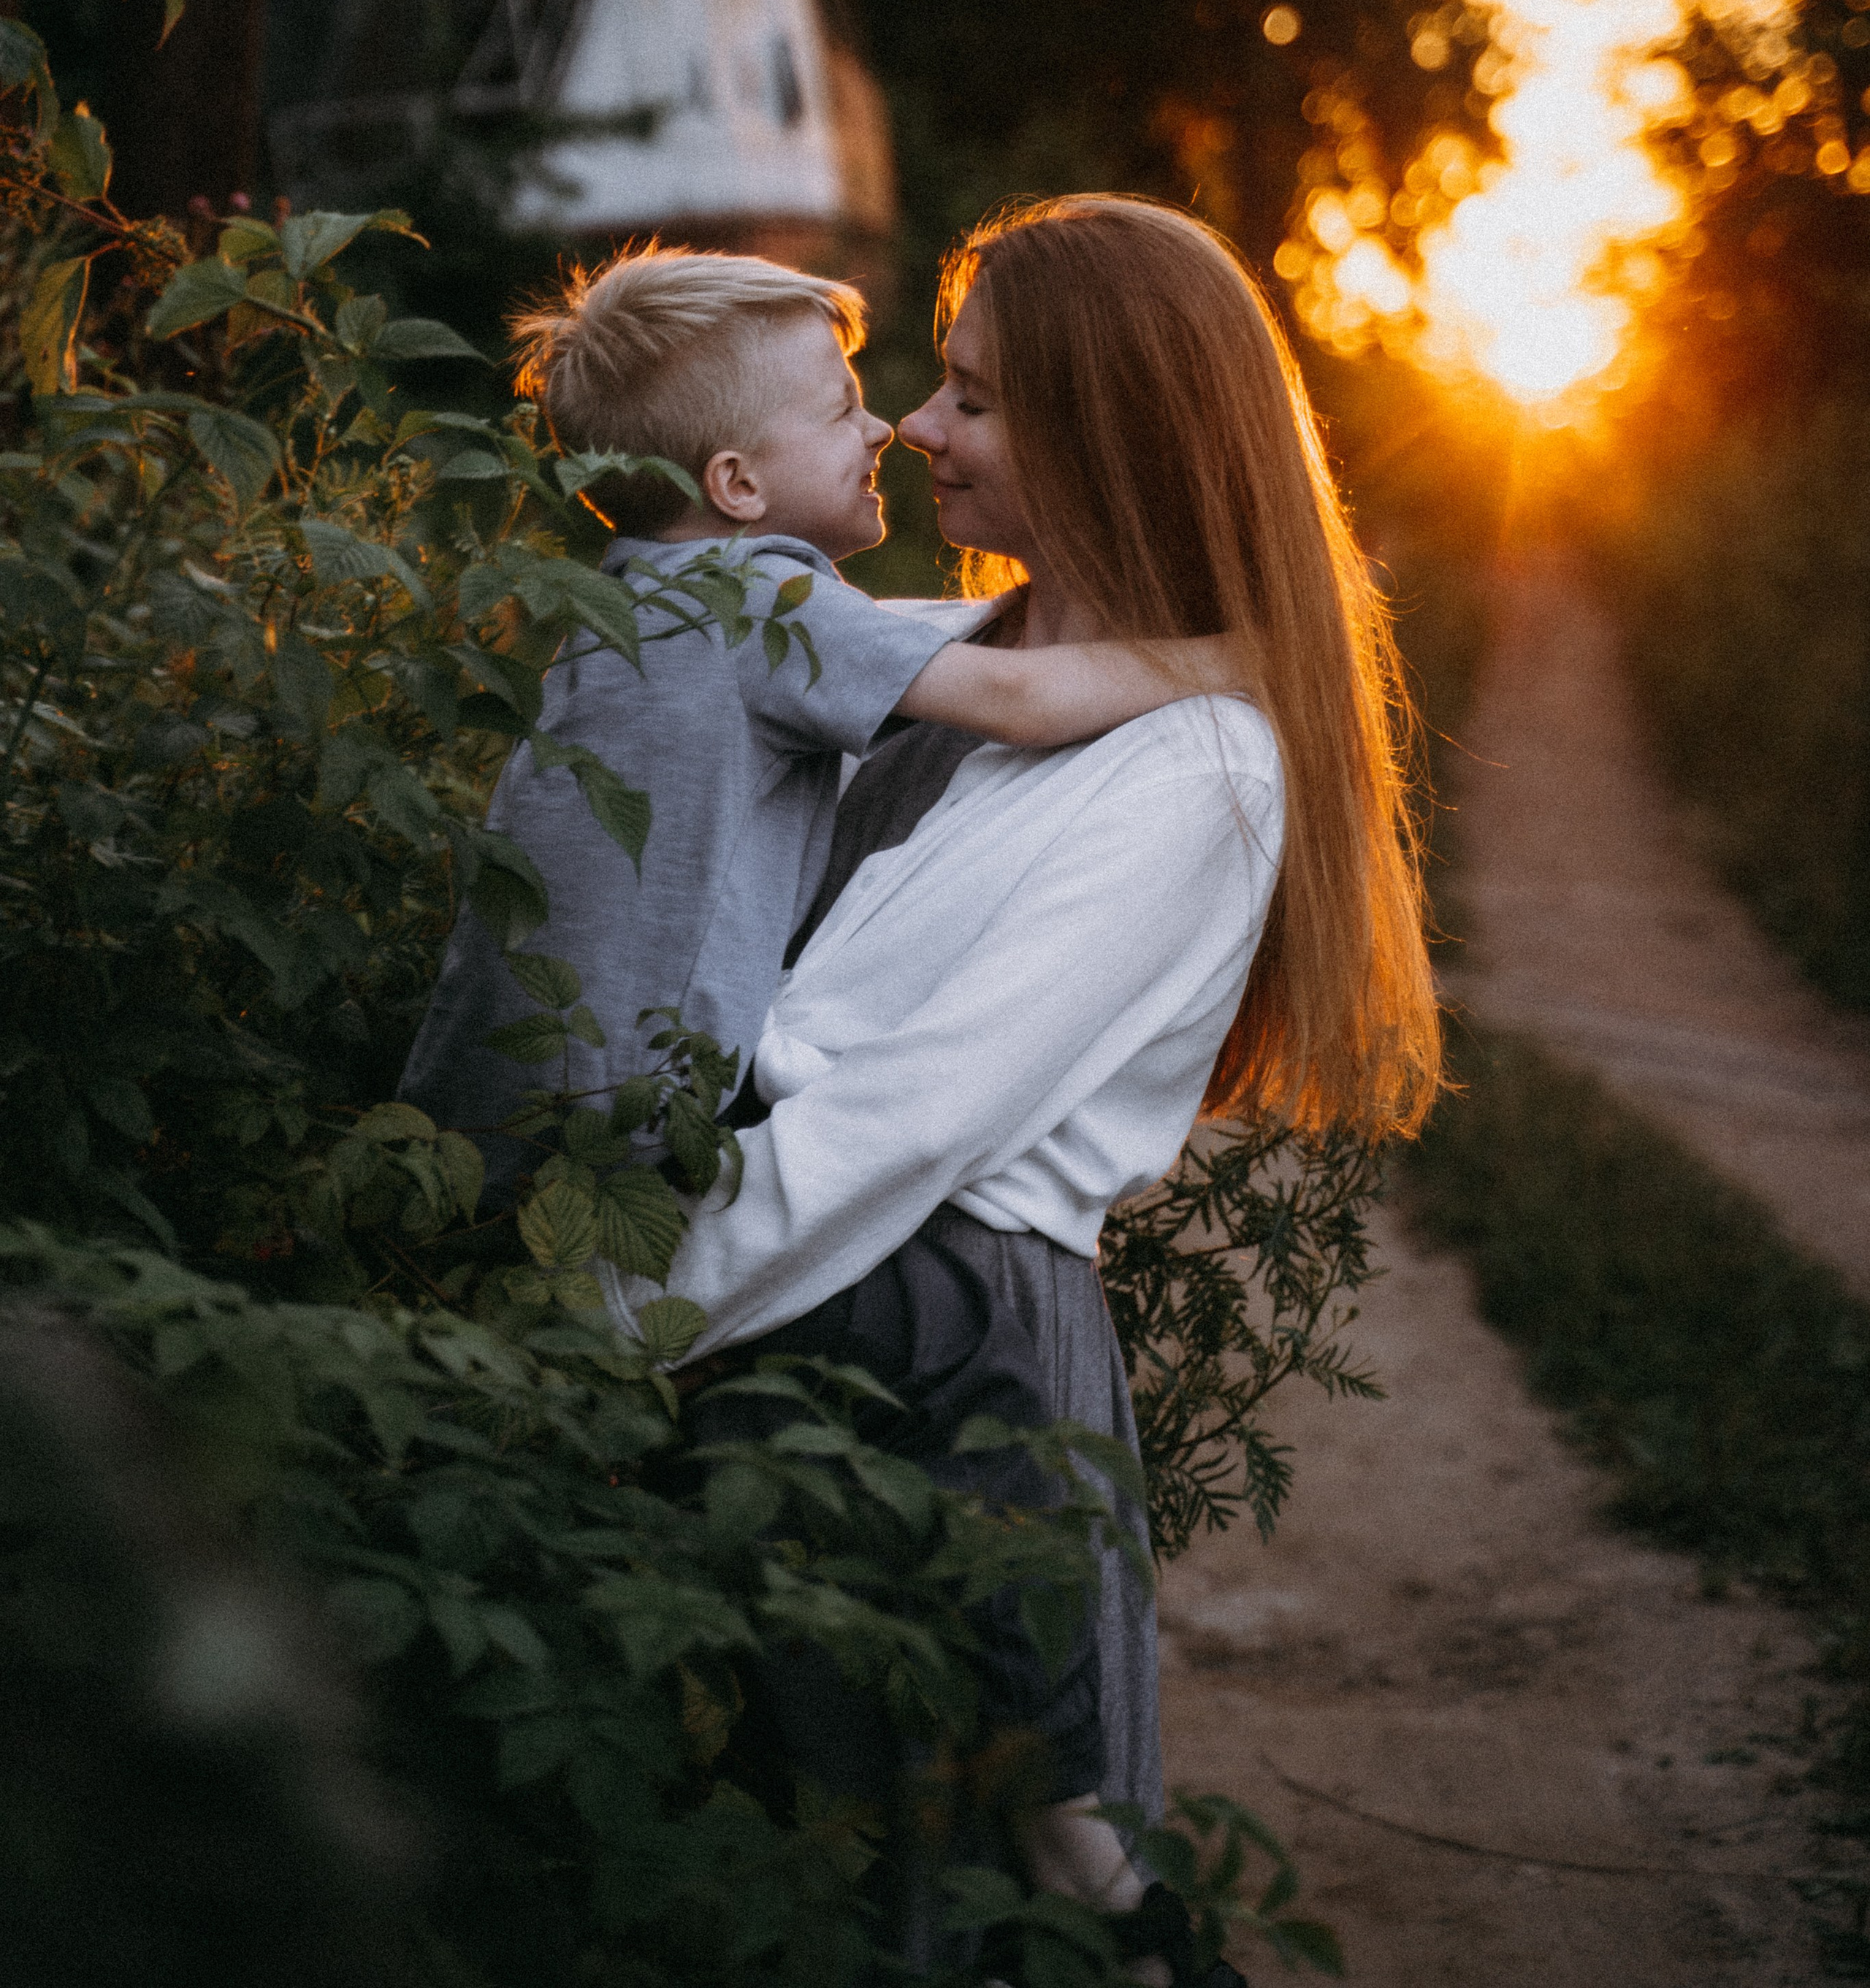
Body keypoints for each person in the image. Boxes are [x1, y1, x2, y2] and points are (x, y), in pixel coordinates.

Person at [606, 196, 1441, 1987]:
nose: (913, 427)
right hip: (796, 1324)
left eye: (972, 400)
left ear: (1104, 437)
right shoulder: (964, 692)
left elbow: (896, 1125)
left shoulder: (1200, 772)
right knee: (811, 1885)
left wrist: (589, 1319)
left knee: (962, 1910)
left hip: (940, 1361)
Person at [400, 242, 1234, 1192]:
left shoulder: (633, 610)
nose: (884, 429)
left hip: (476, 1114)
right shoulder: (756, 600)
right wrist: (1249, 657)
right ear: (737, 486)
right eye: (841, 411)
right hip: (621, 1131)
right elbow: (1019, 697)